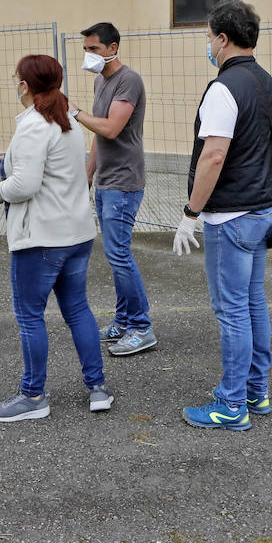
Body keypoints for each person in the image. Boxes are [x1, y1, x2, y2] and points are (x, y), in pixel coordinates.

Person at [0, 54, 113, 421]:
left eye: (16, 79)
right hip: (77, 233)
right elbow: (52, 168)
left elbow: (24, 185)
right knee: (77, 310)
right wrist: (8, 163)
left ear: (25, 86)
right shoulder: (67, 118)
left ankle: (33, 395)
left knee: (29, 316)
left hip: (42, 238)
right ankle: (97, 387)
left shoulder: (33, 125)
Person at [173, 0, 272, 430]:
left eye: (207, 36)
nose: (207, 44)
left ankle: (231, 405)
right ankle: (256, 392)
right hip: (263, 208)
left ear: (222, 38)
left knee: (232, 311)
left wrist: (191, 212)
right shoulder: (267, 82)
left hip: (232, 216)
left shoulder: (224, 87)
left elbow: (214, 156)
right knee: (252, 303)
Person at [74, 22, 155, 357]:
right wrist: (87, 175)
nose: (88, 55)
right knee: (114, 255)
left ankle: (141, 326)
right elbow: (97, 136)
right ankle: (123, 321)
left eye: (94, 49)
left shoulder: (128, 81)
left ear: (112, 48)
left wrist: (74, 112)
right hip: (107, 181)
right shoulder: (100, 81)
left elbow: (110, 128)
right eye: (85, 49)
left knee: (119, 255)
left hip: (124, 182)